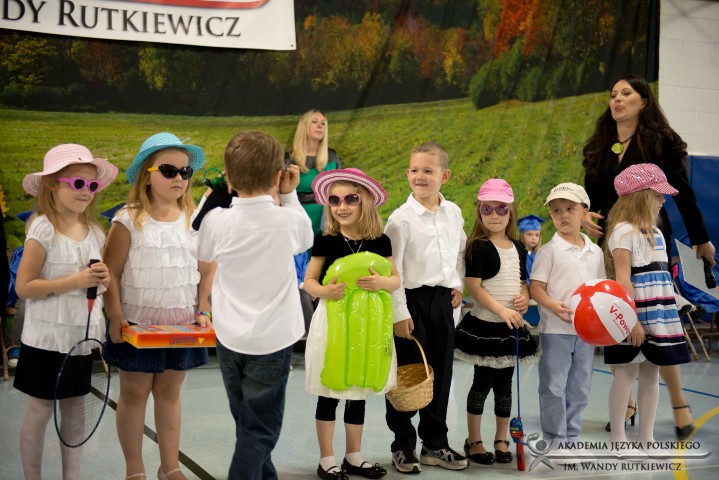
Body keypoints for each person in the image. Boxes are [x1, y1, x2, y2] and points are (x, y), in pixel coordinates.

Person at [582, 73, 714, 438]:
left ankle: (679, 403)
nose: (617, 99)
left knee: (658, 319)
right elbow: (591, 195)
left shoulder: (660, 141)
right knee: (619, 318)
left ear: (643, 101)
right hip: (613, 238)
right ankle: (627, 402)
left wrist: (701, 239)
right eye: (613, 94)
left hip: (650, 235)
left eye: (626, 93)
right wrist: (585, 215)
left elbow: (682, 192)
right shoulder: (599, 144)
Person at [193, 130, 313, 479]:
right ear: (278, 176)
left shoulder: (217, 221)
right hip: (272, 342)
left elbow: (197, 245)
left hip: (229, 341)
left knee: (248, 426)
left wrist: (213, 198)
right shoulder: (287, 220)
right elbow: (304, 238)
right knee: (259, 432)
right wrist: (288, 195)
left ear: (229, 177)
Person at [103, 132, 211, 480]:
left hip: (180, 326)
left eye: (185, 171)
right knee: (134, 393)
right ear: (146, 175)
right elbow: (110, 272)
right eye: (168, 170)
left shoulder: (195, 220)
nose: (179, 177)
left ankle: (170, 466)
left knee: (170, 393)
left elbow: (207, 269)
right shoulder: (128, 220)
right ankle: (134, 468)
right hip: (136, 326)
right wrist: (115, 315)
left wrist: (203, 309)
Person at [14, 144, 118, 479]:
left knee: (74, 410)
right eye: (77, 183)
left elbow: (99, 284)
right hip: (46, 340)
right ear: (51, 185)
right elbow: (24, 286)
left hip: (79, 340)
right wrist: (75, 280)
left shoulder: (96, 233)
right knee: (40, 410)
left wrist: (103, 278)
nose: (86, 191)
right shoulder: (43, 229)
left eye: (92, 185)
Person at [303, 168, 400, 480]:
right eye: (334, 200)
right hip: (332, 322)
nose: (341, 206)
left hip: (369, 323)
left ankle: (353, 456)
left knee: (359, 387)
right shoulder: (326, 240)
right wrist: (325, 292)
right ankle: (326, 459)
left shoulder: (380, 241)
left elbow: (395, 279)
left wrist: (382, 282)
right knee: (330, 389)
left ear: (366, 202)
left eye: (350, 199)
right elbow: (308, 281)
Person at [385, 142, 468, 474]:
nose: (419, 176)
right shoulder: (400, 220)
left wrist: (457, 284)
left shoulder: (454, 212)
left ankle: (435, 443)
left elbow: (459, 251)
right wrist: (399, 313)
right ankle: (402, 445)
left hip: (442, 302)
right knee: (408, 376)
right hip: (410, 302)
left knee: (441, 374)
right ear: (407, 173)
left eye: (428, 171)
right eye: (414, 170)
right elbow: (393, 270)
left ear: (444, 176)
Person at [603, 164, 691, 455]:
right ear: (640, 196)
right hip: (634, 314)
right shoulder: (622, 233)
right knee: (626, 373)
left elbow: (660, 278)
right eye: (657, 194)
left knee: (652, 373)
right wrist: (632, 322)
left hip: (658, 314)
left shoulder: (656, 233)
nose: (663, 200)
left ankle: (646, 438)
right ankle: (618, 439)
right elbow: (623, 280)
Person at [454, 179, 539, 467]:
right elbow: (474, 288)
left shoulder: (518, 246)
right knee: (482, 383)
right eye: (487, 209)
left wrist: (525, 297)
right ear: (479, 212)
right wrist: (502, 311)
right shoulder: (478, 246)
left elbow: (521, 281)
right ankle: (473, 440)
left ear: (510, 211)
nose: (494, 215)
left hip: (510, 328)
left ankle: (501, 438)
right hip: (486, 327)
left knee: (505, 385)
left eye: (501, 208)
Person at [529, 183, 606, 463]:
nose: (563, 215)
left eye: (570, 209)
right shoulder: (549, 251)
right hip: (555, 330)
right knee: (553, 386)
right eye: (556, 211)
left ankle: (572, 437)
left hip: (586, 333)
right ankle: (554, 440)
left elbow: (600, 289)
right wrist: (552, 305)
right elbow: (536, 288)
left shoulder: (595, 252)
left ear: (584, 212)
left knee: (580, 387)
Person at [287, 109, 342, 236]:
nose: (320, 126)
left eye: (323, 123)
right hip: (297, 220)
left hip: (327, 223)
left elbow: (341, 190)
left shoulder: (333, 156)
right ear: (304, 126)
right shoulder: (288, 159)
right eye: (314, 122)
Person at [518, 214, 545, 285]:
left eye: (537, 235)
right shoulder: (517, 255)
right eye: (529, 234)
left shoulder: (540, 255)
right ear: (522, 235)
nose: (534, 238)